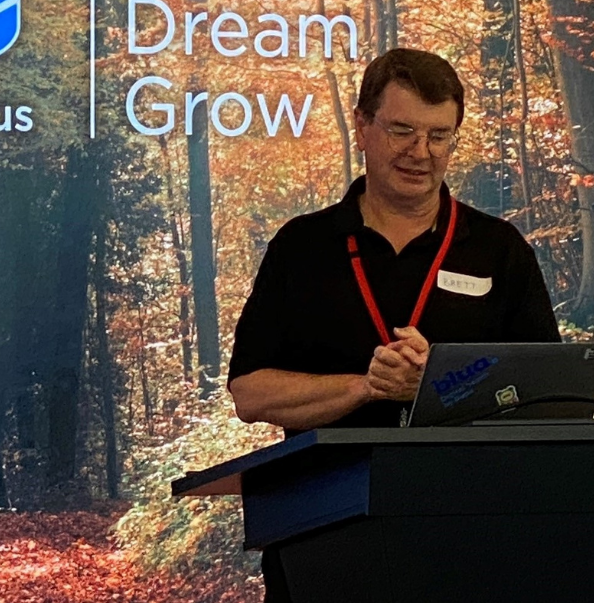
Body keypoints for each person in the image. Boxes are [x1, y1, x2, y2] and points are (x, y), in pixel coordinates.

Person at [226, 48, 560, 603]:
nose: (420, 153)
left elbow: (544, 396)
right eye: (402, 130)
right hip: (323, 535)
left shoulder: (499, 251)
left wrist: (443, 383)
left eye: (439, 135)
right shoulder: (302, 248)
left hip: (471, 533)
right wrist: (366, 386)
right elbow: (250, 392)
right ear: (362, 125)